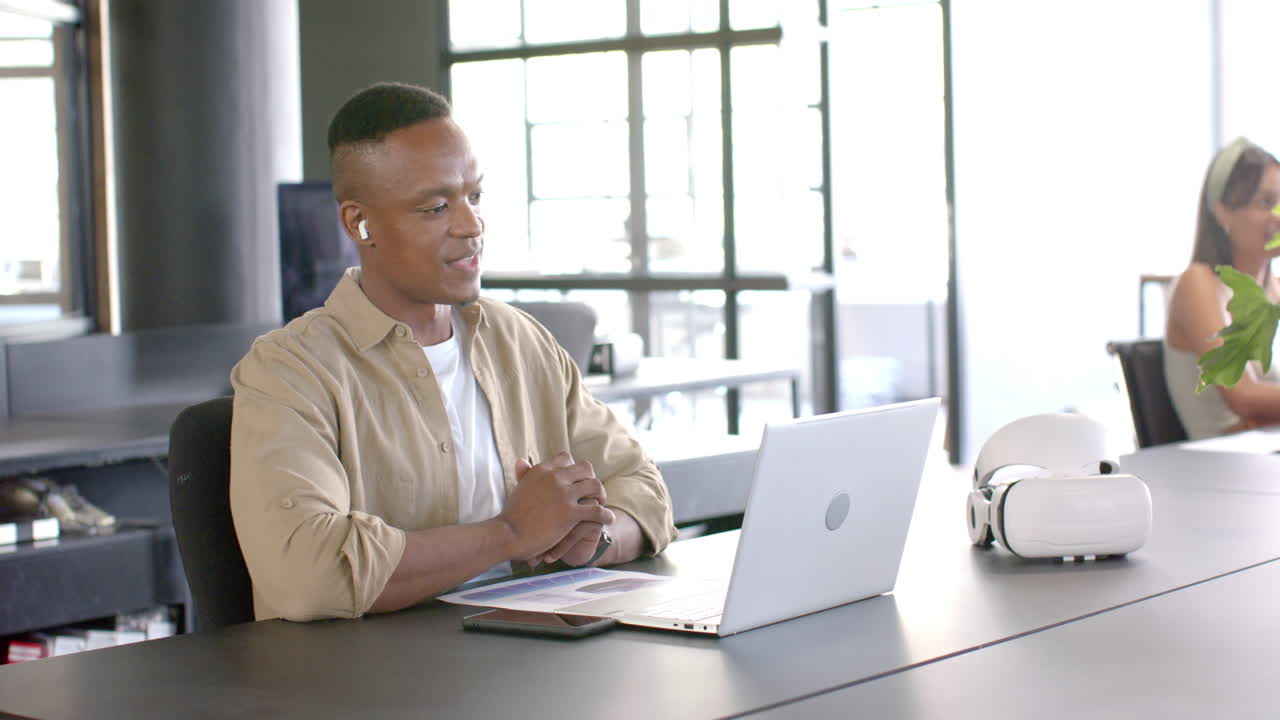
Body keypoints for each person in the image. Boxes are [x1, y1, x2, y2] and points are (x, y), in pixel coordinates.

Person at [229, 82, 678, 622]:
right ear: (359, 223)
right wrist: (510, 534)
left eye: (475, 196)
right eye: (436, 207)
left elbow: (644, 490)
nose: (471, 225)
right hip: (371, 669)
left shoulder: (521, 342)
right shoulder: (288, 371)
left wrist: (593, 541)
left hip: (526, 650)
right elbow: (308, 575)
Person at [1164, 136, 1280, 439]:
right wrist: (1260, 413)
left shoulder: (1275, 290)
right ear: (1223, 212)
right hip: (1223, 461)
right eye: (1266, 203)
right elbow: (1245, 398)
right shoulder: (1198, 283)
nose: (1278, 216)